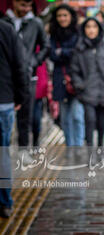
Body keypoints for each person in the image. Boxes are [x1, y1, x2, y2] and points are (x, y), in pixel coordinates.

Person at [2, 0, 50, 148]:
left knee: (26, 116)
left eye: (29, 6)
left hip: (28, 75)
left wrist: (34, 61)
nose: (26, 9)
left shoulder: (35, 23)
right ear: (14, 2)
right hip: (6, 77)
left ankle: (24, 149)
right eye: (23, 5)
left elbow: (45, 45)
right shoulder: (4, 22)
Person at [70, 17, 104, 147]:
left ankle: (100, 148)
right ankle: (89, 148)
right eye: (88, 27)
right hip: (87, 92)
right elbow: (74, 70)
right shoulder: (79, 49)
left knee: (102, 123)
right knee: (90, 120)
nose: (91, 30)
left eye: (94, 27)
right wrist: (79, 85)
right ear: (84, 30)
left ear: (99, 28)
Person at [0, 20, 29, 218]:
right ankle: (4, 202)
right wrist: (20, 95)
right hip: (4, 99)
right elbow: (20, 64)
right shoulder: (6, 29)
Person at [49, 4, 85, 146]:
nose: (62, 18)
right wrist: (67, 53)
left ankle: (79, 145)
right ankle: (70, 146)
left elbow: (78, 54)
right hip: (60, 79)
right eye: (59, 16)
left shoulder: (78, 33)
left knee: (77, 115)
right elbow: (52, 55)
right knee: (65, 117)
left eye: (65, 15)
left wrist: (62, 52)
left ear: (71, 16)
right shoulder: (53, 35)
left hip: (77, 78)